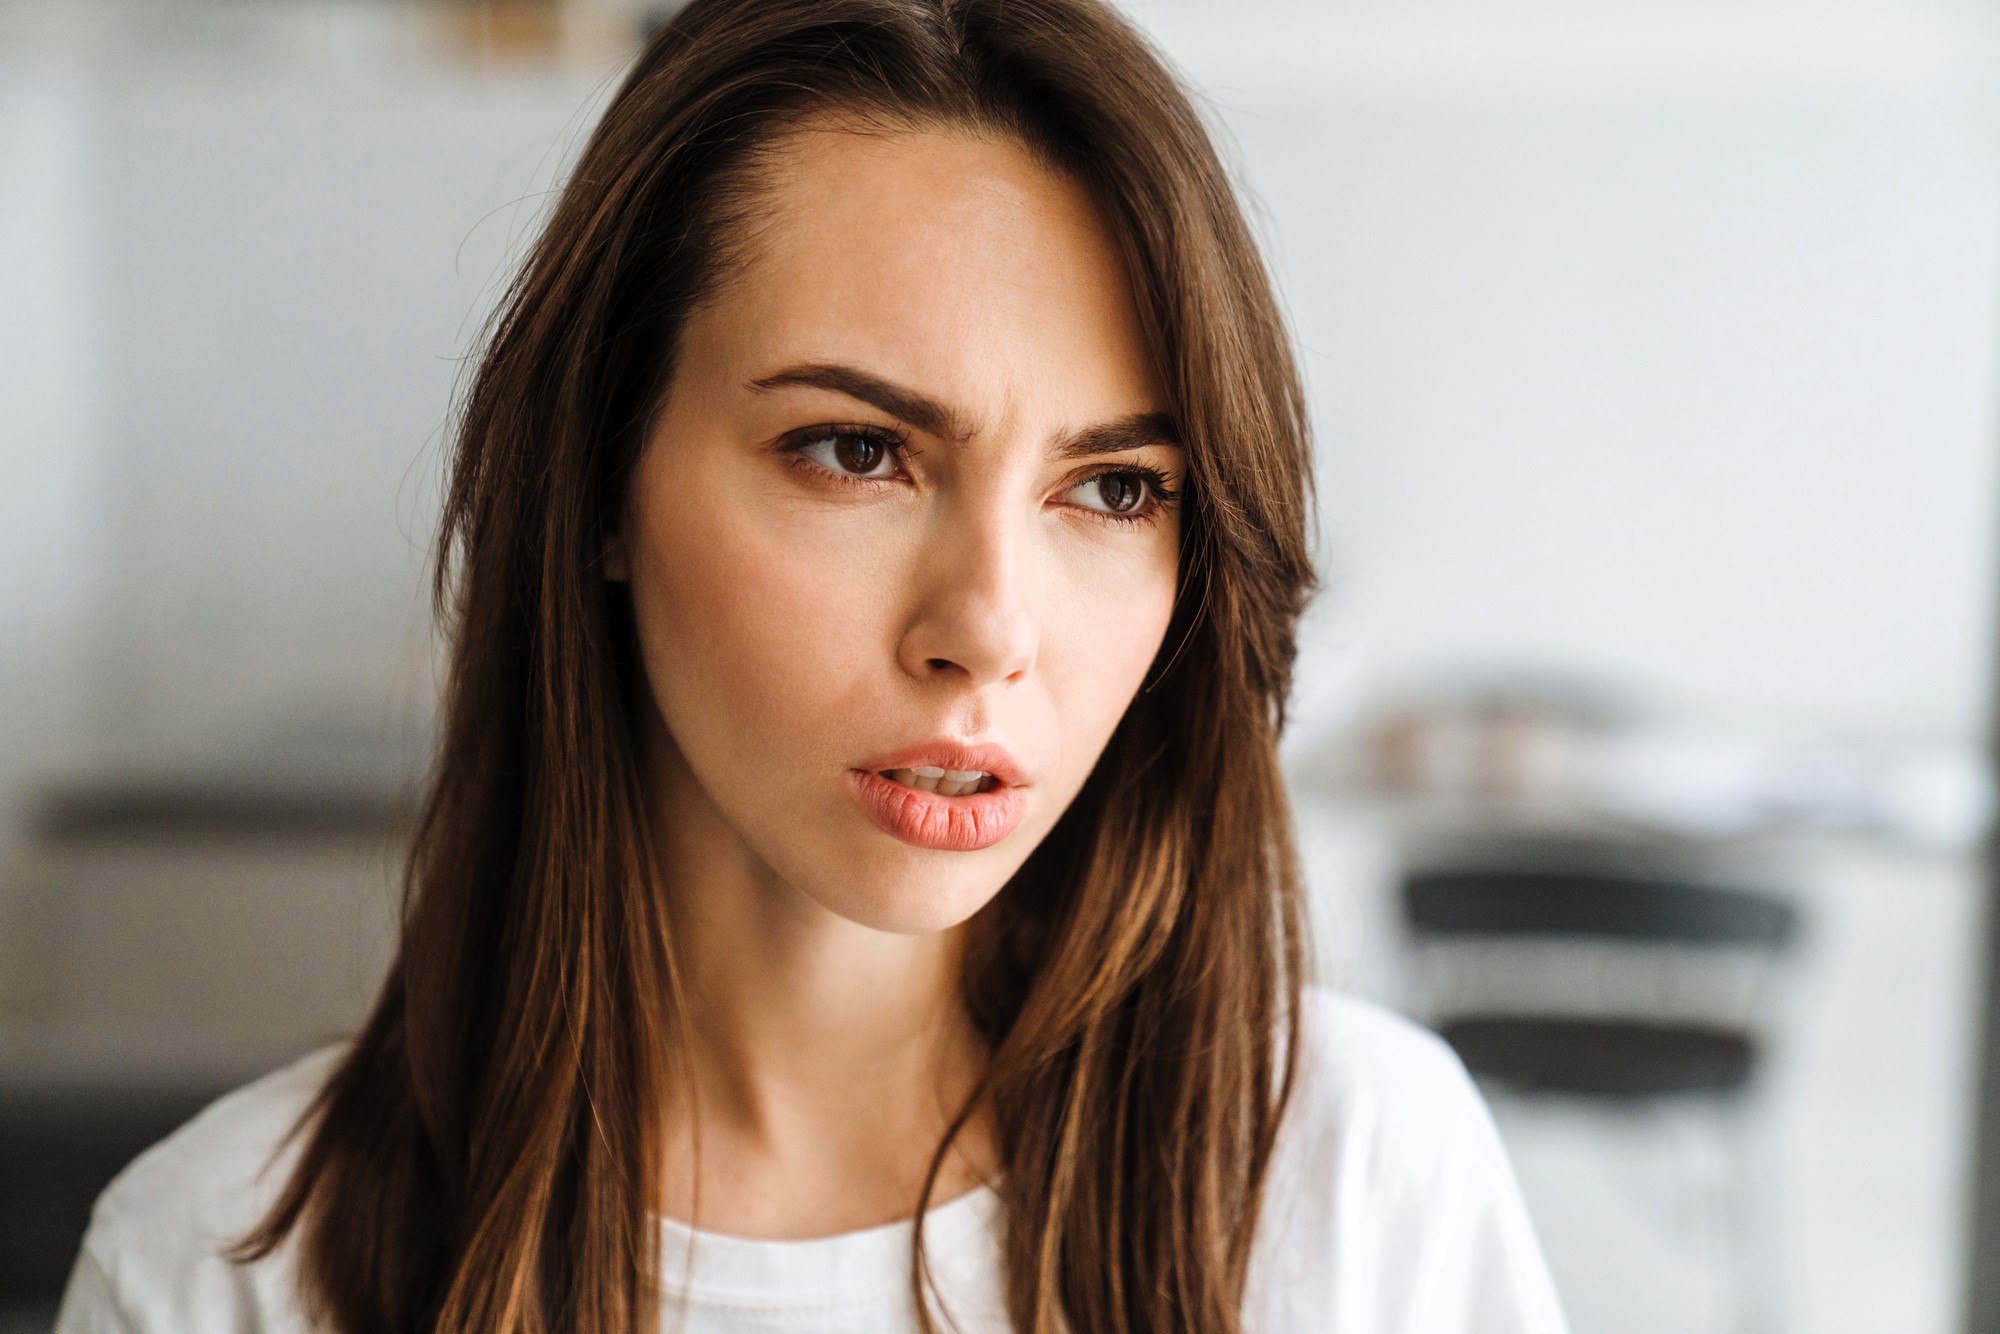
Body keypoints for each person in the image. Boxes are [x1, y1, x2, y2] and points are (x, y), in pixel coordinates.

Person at [52, 0, 1570, 1330]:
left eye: (1113, 488)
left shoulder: (1359, 1180)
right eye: (856, 451)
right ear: (600, 483)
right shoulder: (219, 1269)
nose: (988, 626)